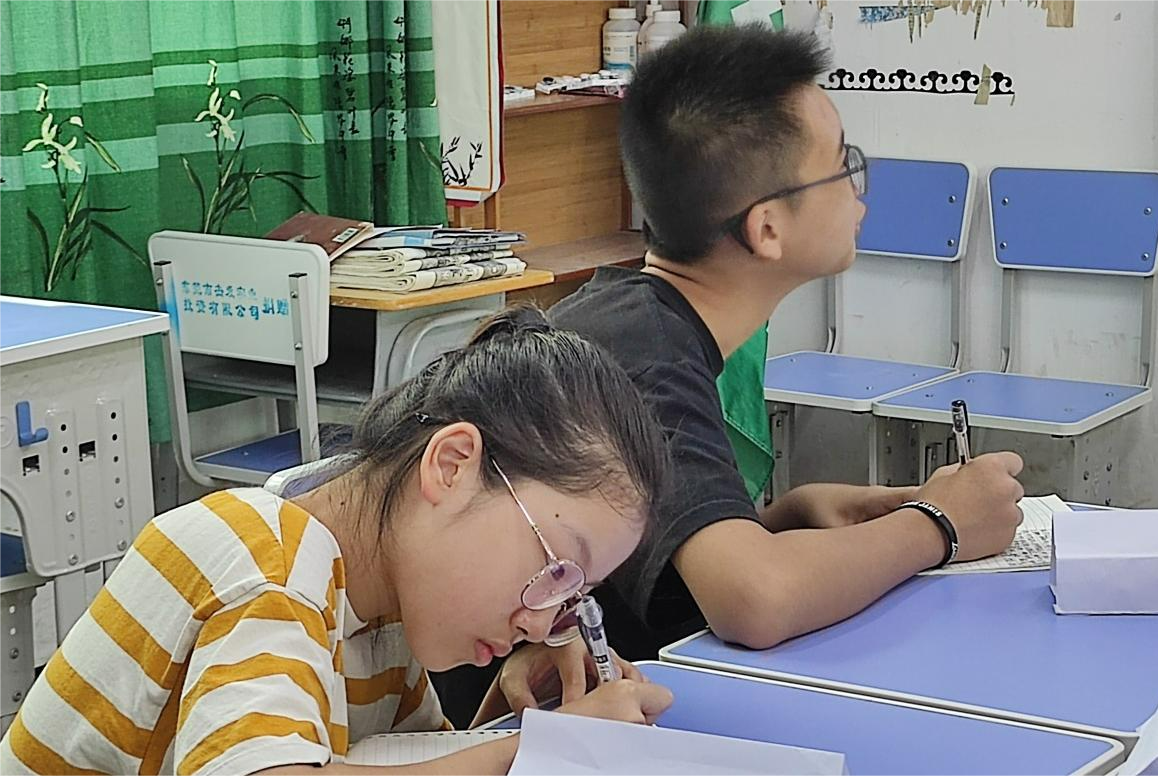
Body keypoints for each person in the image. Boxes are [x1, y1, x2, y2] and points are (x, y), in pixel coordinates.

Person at [511, 24, 1025, 676]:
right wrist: (941, 523)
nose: (858, 189)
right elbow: (755, 602)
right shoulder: (644, 362)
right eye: (842, 164)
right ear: (768, 228)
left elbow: (667, 562)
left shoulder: (629, 318)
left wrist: (784, 519)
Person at [0, 306, 673, 775]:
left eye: (573, 599)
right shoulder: (268, 560)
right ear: (451, 466)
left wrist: (511, 711)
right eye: (557, 569)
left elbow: (398, 764)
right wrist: (546, 749)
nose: (542, 625)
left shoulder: (383, 601)